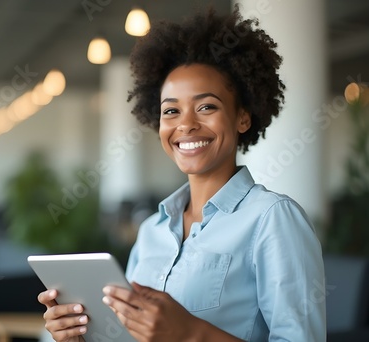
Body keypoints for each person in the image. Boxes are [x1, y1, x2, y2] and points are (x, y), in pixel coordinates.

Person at [38, 5, 326, 342]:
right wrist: (79, 335)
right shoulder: (151, 232)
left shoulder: (273, 219)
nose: (186, 124)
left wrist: (191, 333)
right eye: (171, 111)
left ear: (243, 117)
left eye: (206, 106)